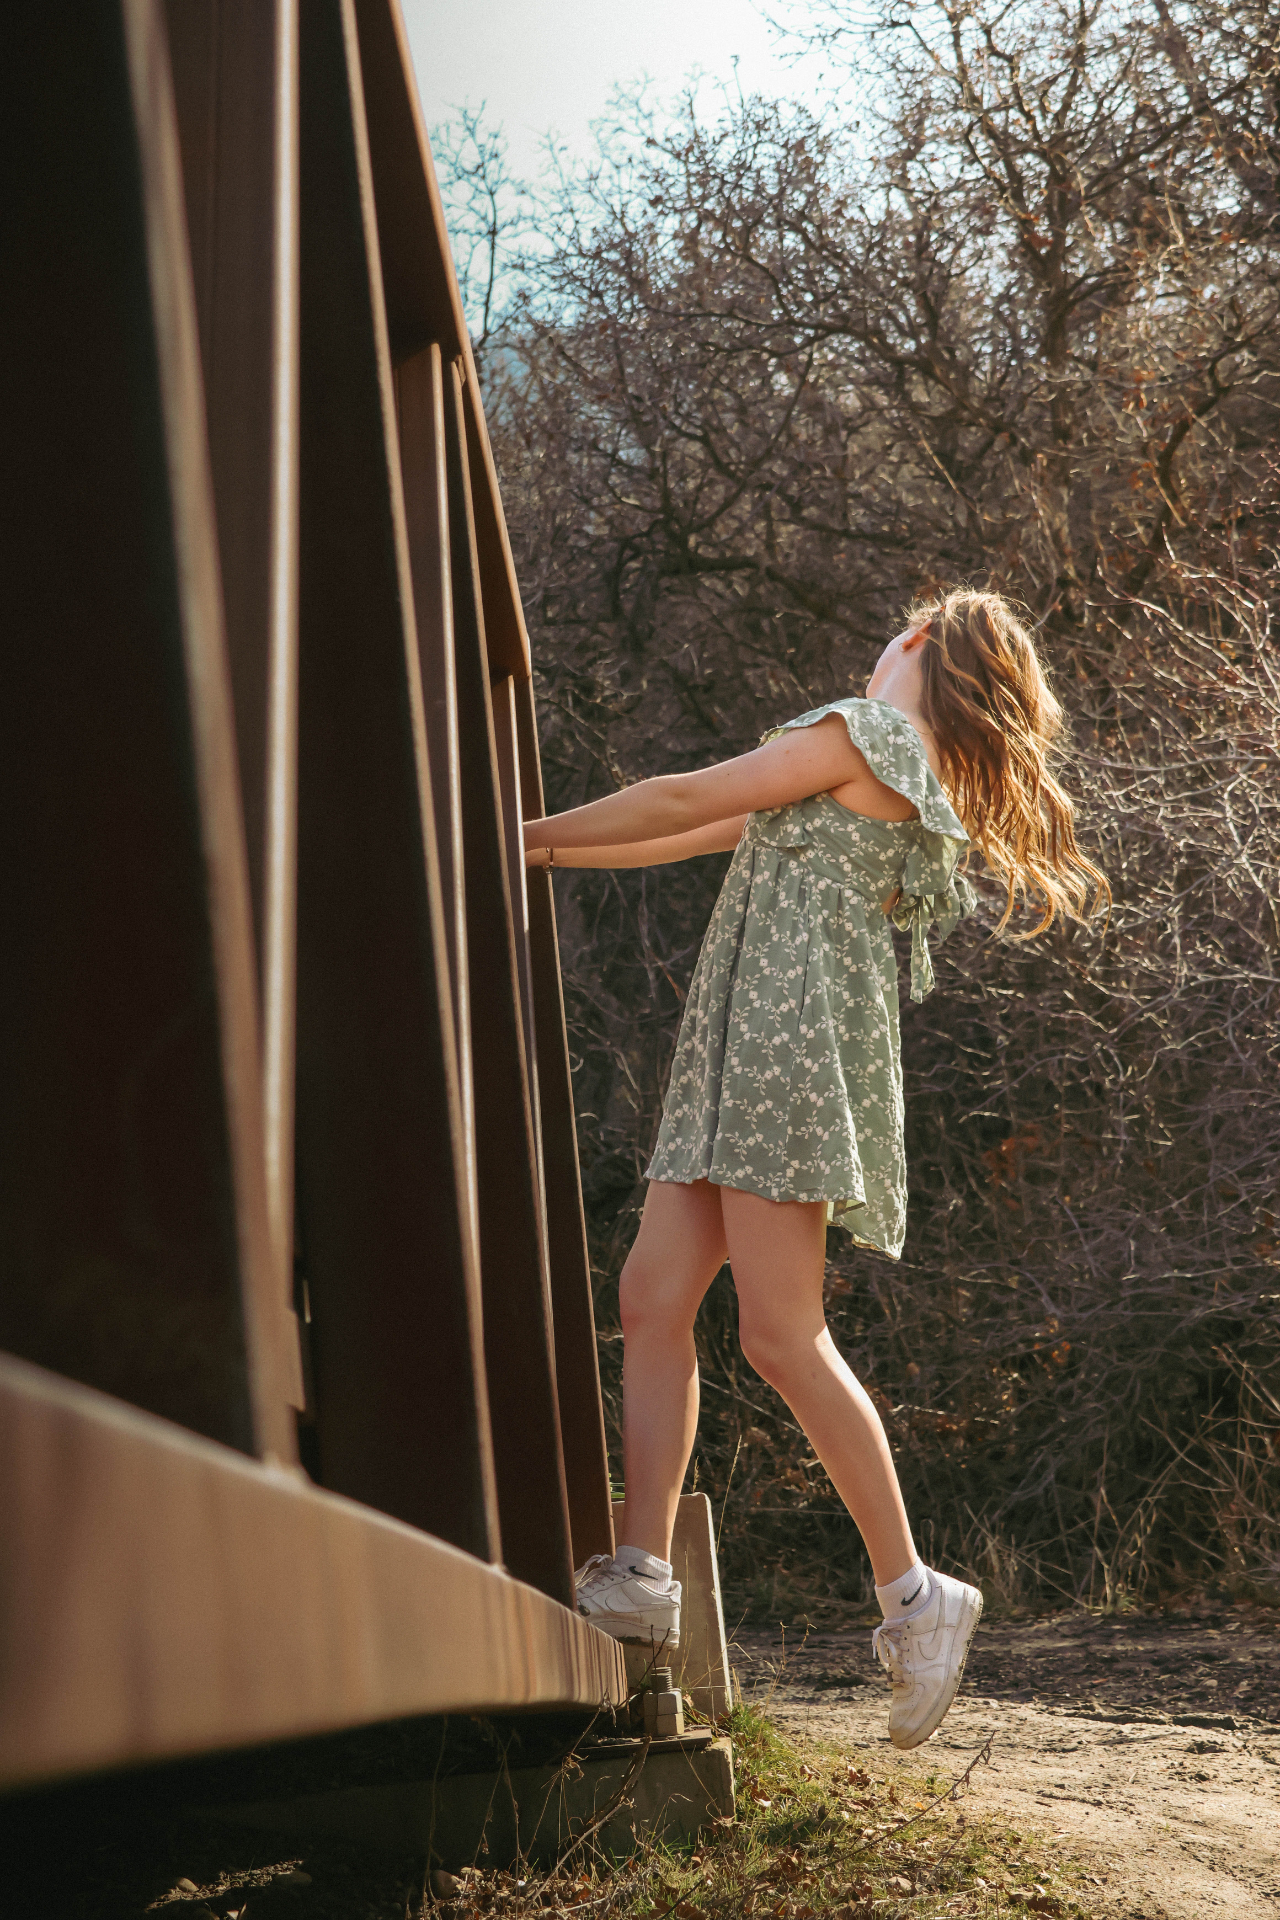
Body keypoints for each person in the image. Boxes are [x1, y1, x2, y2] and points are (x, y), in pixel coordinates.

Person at [523, 588, 1108, 1750]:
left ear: (914, 642)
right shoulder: (874, 767)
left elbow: (687, 794)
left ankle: (913, 1595)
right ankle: (641, 1571)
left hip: (782, 1058)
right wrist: (546, 850)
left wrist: (508, 830)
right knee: (651, 1299)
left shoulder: (862, 733)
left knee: (779, 1336)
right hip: (750, 1047)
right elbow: (693, 830)